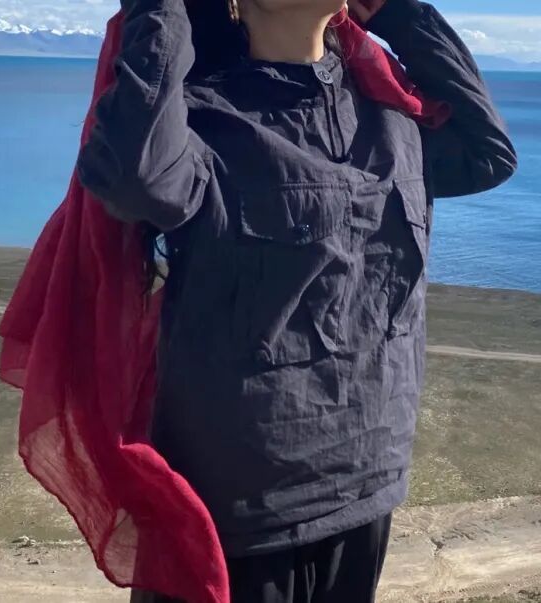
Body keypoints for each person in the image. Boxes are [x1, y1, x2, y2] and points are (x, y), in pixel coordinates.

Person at [74, 0, 516, 600]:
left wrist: (398, 14)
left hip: (368, 481)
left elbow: (489, 153)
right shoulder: (203, 118)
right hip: (242, 512)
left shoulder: (391, 114)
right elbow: (134, 175)